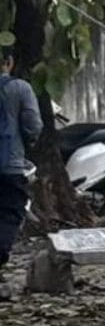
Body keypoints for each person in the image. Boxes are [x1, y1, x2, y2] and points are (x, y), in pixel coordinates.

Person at [0, 50, 41, 282]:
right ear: (9, 62)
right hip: (10, 165)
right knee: (9, 215)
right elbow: (33, 125)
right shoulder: (20, 88)